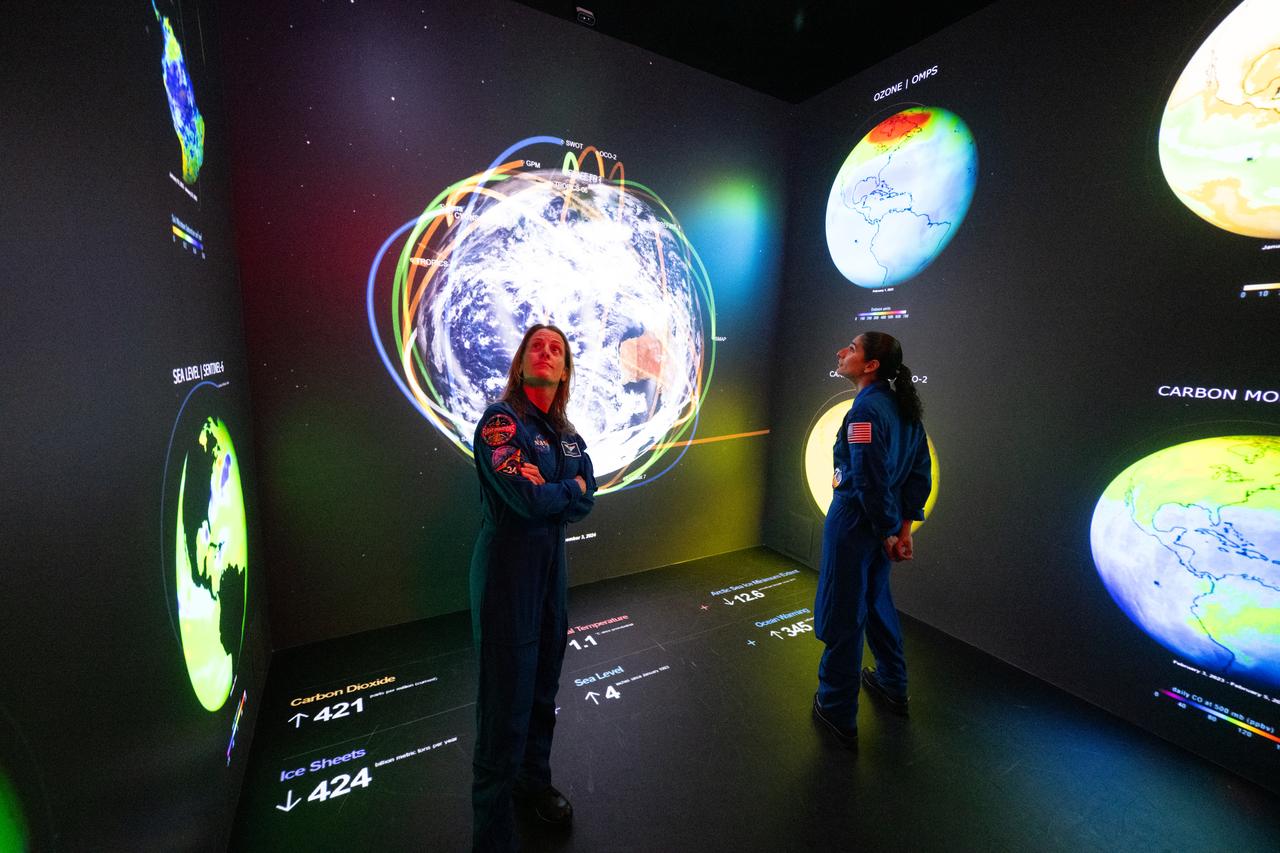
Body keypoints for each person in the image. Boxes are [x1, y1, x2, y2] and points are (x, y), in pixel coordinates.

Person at [470, 324, 596, 851]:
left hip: (550, 575)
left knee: (543, 690)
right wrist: (568, 489)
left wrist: (560, 490)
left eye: (557, 350)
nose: (546, 353)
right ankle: (492, 834)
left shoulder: (566, 433)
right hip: (508, 576)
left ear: (564, 370)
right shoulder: (501, 422)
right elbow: (526, 499)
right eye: (536, 346)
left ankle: (532, 784)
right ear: (521, 364)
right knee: (505, 708)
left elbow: (592, 492)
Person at [812, 331, 932, 749]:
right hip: (882, 526)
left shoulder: (865, 413)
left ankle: (837, 709)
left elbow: (866, 477)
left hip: (855, 524)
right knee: (877, 603)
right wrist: (901, 531)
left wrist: (884, 530)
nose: (840, 351)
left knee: (842, 611)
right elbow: (918, 475)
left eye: (851, 348)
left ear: (871, 365)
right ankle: (892, 685)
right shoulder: (904, 409)